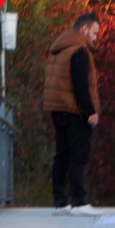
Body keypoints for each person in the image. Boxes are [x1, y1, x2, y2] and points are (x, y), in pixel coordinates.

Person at [43, 12, 102, 215]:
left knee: (62, 155)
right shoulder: (79, 51)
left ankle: (60, 201)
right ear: (84, 30)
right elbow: (80, 85)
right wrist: (90, 111)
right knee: (79, 155)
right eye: (94, 32)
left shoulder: (59, 48)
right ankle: (79, 201)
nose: (95, 38)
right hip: (74, 110)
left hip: (57, 109)